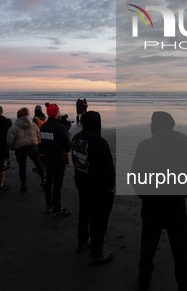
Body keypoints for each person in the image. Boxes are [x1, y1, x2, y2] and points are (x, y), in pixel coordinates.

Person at [131, 111, 187, 291]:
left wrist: (145, 195)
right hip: (176, 206)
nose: (149, 126)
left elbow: (136, 177)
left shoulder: (144, 146)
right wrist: (181, 194)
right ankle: (184, 286)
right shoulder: (184, 145)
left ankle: (144, 280)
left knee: (148, 248)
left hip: (152, 205)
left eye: (151, 122)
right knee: (180, 253)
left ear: (157, 125)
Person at [71, 111, 115, 265]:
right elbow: (109, 169)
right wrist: (111, 187)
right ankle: (96, 252)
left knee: (84, 211)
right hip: (98, 187)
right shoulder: (99, 142)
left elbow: (76, 161)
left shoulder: (76, 138)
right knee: (99, 219)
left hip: (82, 182)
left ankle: (82, 241)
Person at [40, 103, 71, 217]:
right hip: (58, 159)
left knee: (49, 182)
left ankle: (49, 204)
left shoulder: (43, 126)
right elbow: (67, 146)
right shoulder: (60, 128)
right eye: (58, 111)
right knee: (57, 184)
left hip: (48, 158)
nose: (60, 113)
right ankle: (57, 208)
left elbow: (43, 143)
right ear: (56, 113)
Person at [7, 107, 45, 192]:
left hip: (20, 148)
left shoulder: (14, 128)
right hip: (32, 146)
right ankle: (44, 180)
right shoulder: (34, 125)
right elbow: (38, 136)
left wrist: (12, 148)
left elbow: (9, 141)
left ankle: (24, 185)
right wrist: (35, 142)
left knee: (22, 167)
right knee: (38, 164)